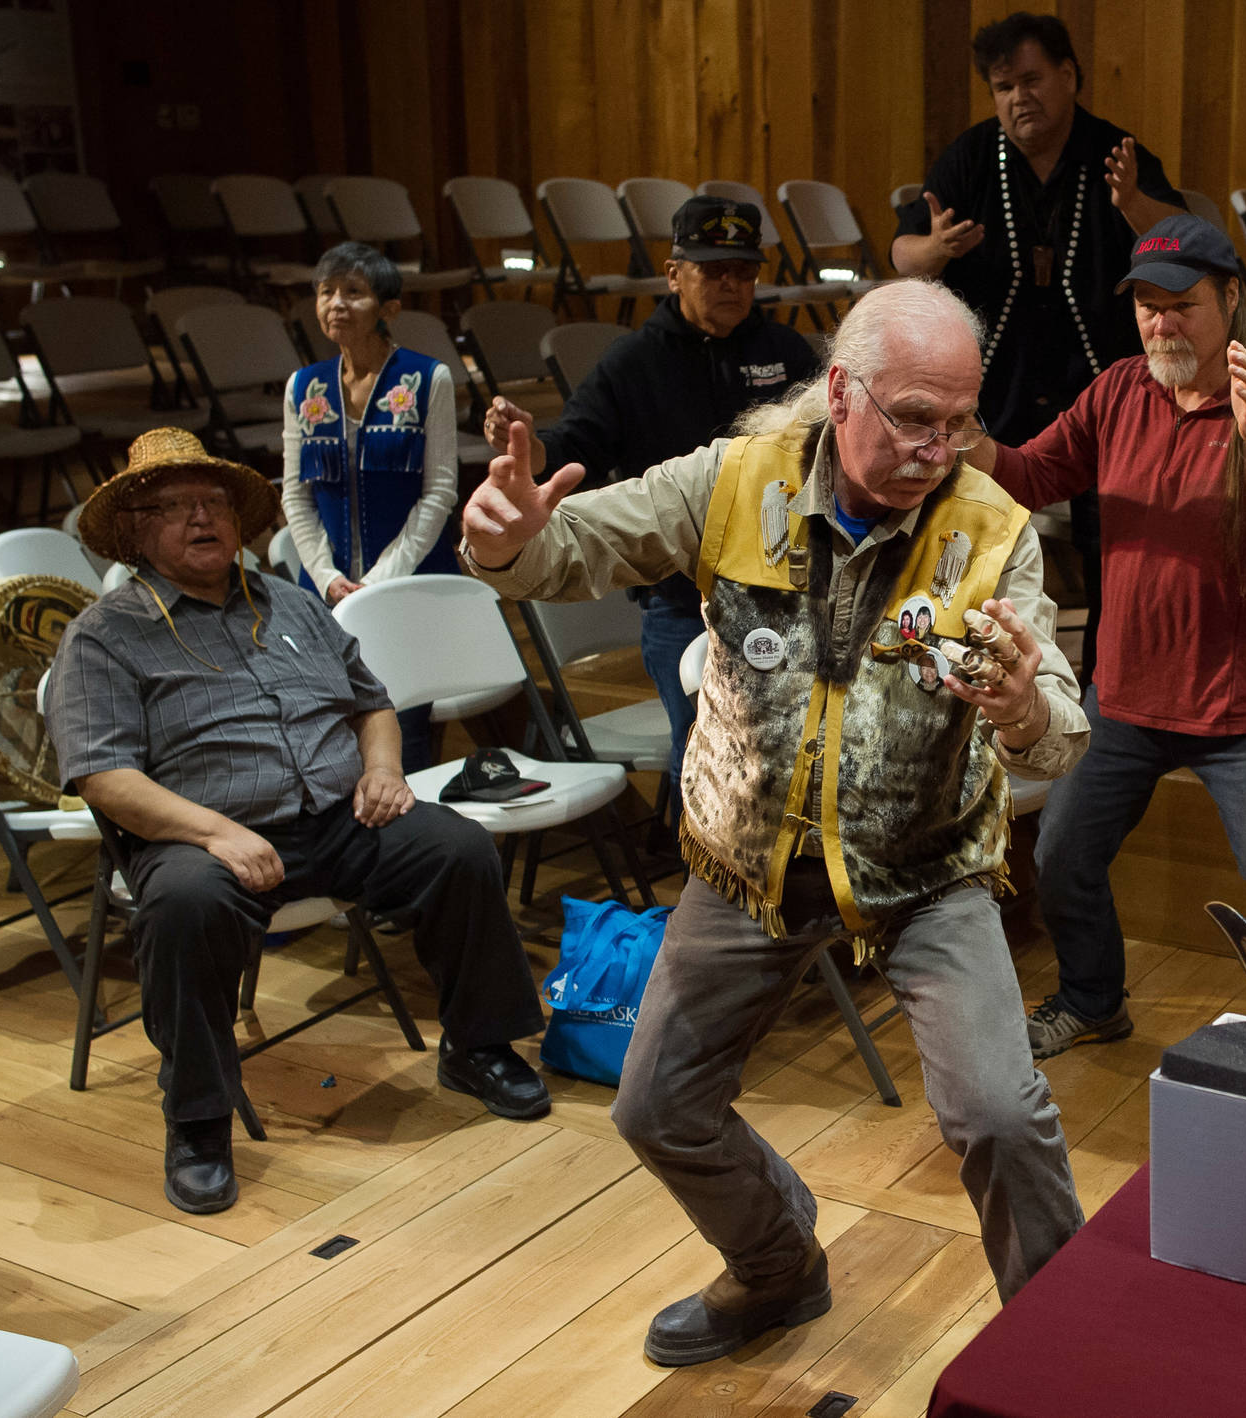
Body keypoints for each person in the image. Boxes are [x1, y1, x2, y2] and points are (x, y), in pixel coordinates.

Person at [458, 279, 1088, 1364]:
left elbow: (1059, 730)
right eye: (911, 418)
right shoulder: (729, 479)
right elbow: (564, 552)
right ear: (839, 392)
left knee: (996, 1111)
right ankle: (775, 1263)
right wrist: (504, 541)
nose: (938, 449)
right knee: (654, 1104)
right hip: (745, 855)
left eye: (958, 420)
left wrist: (1025, 707)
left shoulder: (993, 531)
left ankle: (1056, 1349)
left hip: (925, 865)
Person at [45, 428, 550, 1217]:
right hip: (204, 836)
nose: (202, 519)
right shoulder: (105, 636)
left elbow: (372, 701)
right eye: (175, 508)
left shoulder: (290, 603)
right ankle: (200, 1122)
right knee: (182, 908)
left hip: (341, 815)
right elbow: (104, 775)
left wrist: (383, 770)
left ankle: (478, 1047)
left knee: (455, 845)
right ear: (138, 532)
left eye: (212, 503)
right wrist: (214, 833)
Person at [963, 214, 1246, 1059]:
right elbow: (1033, 475)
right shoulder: (1116, 393)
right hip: (1128, 696)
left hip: (1244, 707)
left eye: (1178, 304)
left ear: (1229, 299)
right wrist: (967, 441)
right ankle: (1093, 999)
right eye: (1145, 305)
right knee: (1064, 855)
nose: (1159, 323)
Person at [484, 195, 821, 842]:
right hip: (680, 597)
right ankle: (705, 890)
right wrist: (532, 440)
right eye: (713, 269)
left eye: (744, 271)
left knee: (792, 744)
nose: (731, 283)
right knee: (701, 749)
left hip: (788, 590)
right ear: (673, 274)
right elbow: (577, 443)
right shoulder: (633, 363)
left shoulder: (786, 351)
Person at [893, 10, 1186, 686]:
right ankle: (961, 677)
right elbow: (903, 253)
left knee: (1110, 540)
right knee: (966, 534)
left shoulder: (1117, 153)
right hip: (999, 381)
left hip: (1100, 382)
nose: (1018, 98)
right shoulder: (970, 156)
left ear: (1069, 76)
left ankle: (1114, 687)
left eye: (1030, 80)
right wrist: (936, 250)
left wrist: (1134, 202)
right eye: (1002, 87)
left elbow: (1182, 239)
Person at [281, 241, 460, 772]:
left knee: (403, 719)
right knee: (323, 721)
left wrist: (382, 578)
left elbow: (440, 490)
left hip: (411, 579)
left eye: (353, 293)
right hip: (324, 587)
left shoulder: (429, 379)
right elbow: (295, 492)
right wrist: (325, 575)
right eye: (325, 292)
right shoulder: (303, 385)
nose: (335, 304)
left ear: (389, 309)